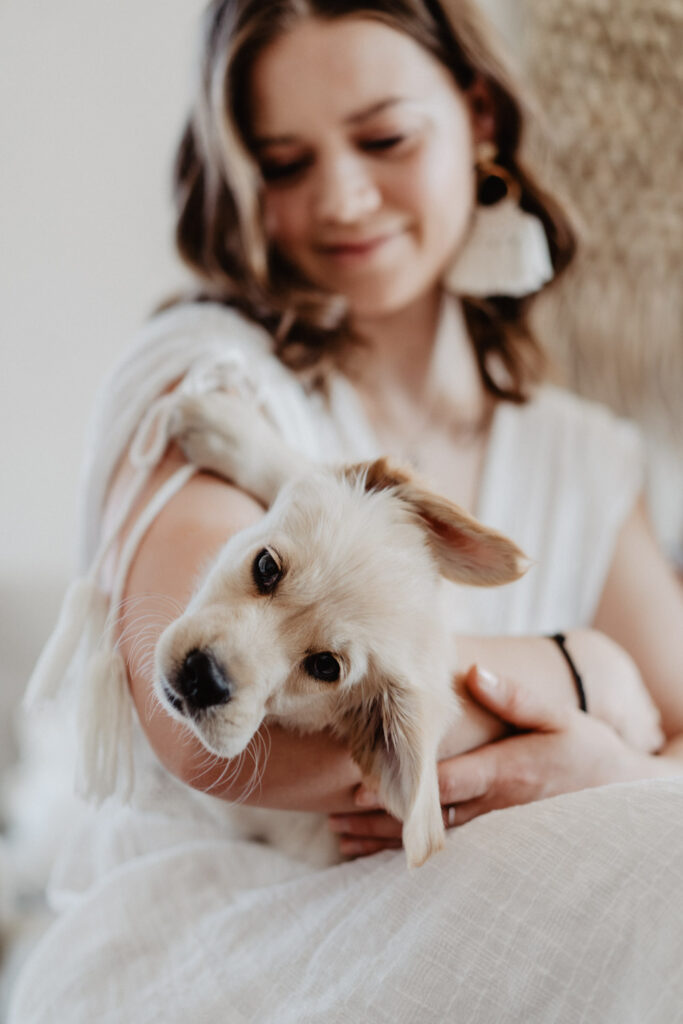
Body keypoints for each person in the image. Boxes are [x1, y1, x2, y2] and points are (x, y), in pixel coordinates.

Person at [10, 2, 683, 1020]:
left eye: (384, 139)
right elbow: (199, 725)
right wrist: (594, 674)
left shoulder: (578, 456)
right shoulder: (211, 375)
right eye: (283, 163)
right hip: (202, 935)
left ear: (478, 115)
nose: (341, 197)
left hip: (462, 925)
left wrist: (611, 764)